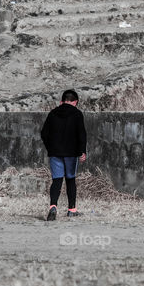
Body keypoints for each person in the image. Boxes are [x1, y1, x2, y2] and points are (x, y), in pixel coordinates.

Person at [40, 89, 87, 221]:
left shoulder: (53, 113)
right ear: (75, 102)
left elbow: (44, 133)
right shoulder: (77, 114)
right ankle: (71, 210)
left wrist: (50, 147)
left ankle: (53, 206)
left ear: (61, 101)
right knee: (70, 179)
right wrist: (82, 151)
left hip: (55, 153)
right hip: (71, 153)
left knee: (57, 180)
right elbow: (81, 134)